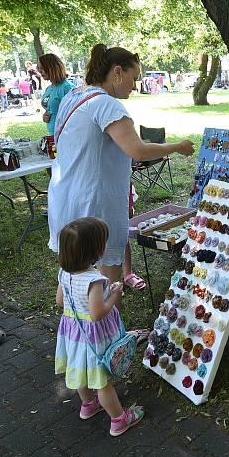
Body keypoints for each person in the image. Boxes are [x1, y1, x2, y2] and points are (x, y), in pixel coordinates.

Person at [47, 44, 194, 292]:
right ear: (117, 72)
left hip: (67, 198)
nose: (134, 85)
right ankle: (108, 328)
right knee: (107, 281)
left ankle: (75, 327)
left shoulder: (74, 96)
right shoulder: (106, 104)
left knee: (73, 276)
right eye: (133, 78)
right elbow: (137, 150)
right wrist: (177, 146)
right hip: (95, 203)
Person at [54, 217, 144, 436]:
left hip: (74, 333)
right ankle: (119, 419)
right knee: (102, 380)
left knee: (81, 371)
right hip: (95, 336)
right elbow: (97, 314)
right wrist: (114, 295)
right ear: (94, 249)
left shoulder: (64, 273)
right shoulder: (94, 280)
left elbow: (59, 301)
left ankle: (88, 405)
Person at [38, 54, 75, 135]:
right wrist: (45, 116)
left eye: (42, 68)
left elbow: (75, 114)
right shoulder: (49, 88)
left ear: (52, 68)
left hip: (65, 134)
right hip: (53, 134)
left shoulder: (67, 88)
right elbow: (51, 108)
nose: (40, 71)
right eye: (39, 68)